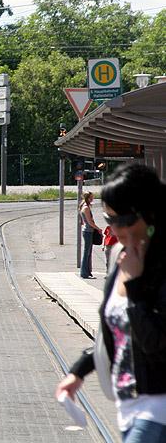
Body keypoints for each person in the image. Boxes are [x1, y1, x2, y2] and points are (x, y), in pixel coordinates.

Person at [55, 163, 166, 443]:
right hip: (128, 407)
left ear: (149, 213)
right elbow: (116, 334)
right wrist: (78, 373)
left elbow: (155, 343)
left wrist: (134, 285)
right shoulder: (120, 255)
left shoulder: (159, 266)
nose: (116, 228)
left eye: (125, 219)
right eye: (110, 218)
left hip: (157, 407)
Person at [79, 191, 103, 278]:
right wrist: (98, 229)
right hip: (88, 231)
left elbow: (83, 222)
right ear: (88, 198)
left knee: (88, 252)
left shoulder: (83, 206)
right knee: (87, 252)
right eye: (91, 197)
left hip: (87, 231)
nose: (92, 199)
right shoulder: (86, 208)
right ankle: (84, 273)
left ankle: (87, 272)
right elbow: (90, 222)